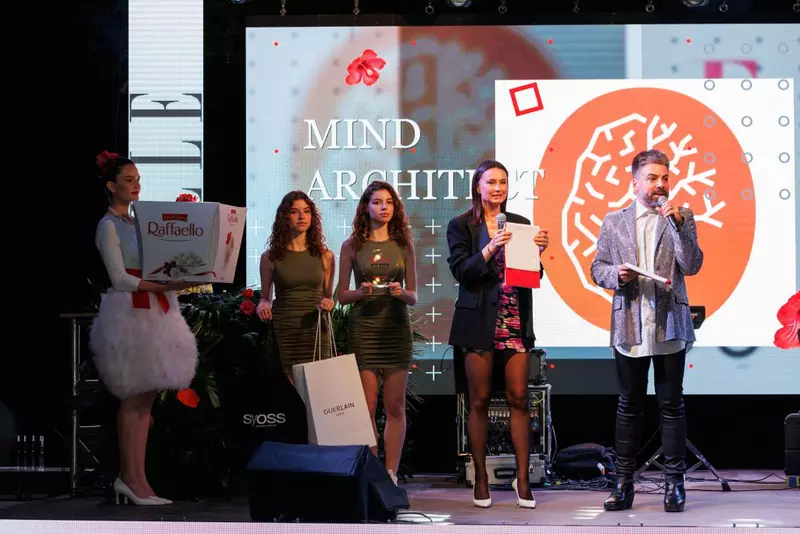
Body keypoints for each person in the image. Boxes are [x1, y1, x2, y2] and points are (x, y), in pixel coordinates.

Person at [590, 149, 703, 513]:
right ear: (635, 183)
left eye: (665, 178)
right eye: (652, 178)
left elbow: (692, 264)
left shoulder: (682, 217)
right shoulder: (614, 221)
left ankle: (675, 485)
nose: (660, 185)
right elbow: (598, 268)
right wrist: (617, 275)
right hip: (630, 323)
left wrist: (679, 226)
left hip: (669, 323)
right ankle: (623, 485)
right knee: (629, 406)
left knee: (671, 406)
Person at [88, 151, 200, 506]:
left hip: (154, 308)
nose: (136, 185)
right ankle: (129, 478)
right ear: (111, 186)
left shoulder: (137, 223)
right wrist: (163, 286)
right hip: (131, 311)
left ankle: (140, 478)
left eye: (137, 179)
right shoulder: (108, 225)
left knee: (146, 400)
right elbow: (120, 278)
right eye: (128, 180)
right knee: (133, 397)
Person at [445, 159, 549, 509]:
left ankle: (523, 480)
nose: (498, 188)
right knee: (479, 401)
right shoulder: (462, 225)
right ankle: (481, 477)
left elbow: (533, 275)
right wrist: (491, 247)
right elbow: (462, 271)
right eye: (491, 182)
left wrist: (537, 253)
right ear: (478, 187)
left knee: (520, 398)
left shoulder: (519, 223)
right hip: (477, 323)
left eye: (503, 182)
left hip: (514, 319)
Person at [337, 181, 417, 486]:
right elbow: (342, 296)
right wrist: (361, 292)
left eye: (389, 202)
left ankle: (390, 474)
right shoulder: (351, 246)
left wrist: (400, 292)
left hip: (395, 329)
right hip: (364, 329)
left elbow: (414, 297)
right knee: (367, 407)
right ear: (366, 207)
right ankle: (372, 475)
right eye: (377, 202)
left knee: (395, 406)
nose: (384, 207)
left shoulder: (404, 244)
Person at [256, 191, 335, 376]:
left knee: (320, 387)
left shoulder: (325, 256)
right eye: (294, 211)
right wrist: (262, 307)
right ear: (284, 217)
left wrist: (329, 303)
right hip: (286, 328)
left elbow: (329, 297)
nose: (302, 216)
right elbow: (265, 298)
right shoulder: (270, 257)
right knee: (290, 387)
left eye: (306, 211)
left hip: (316, 329)